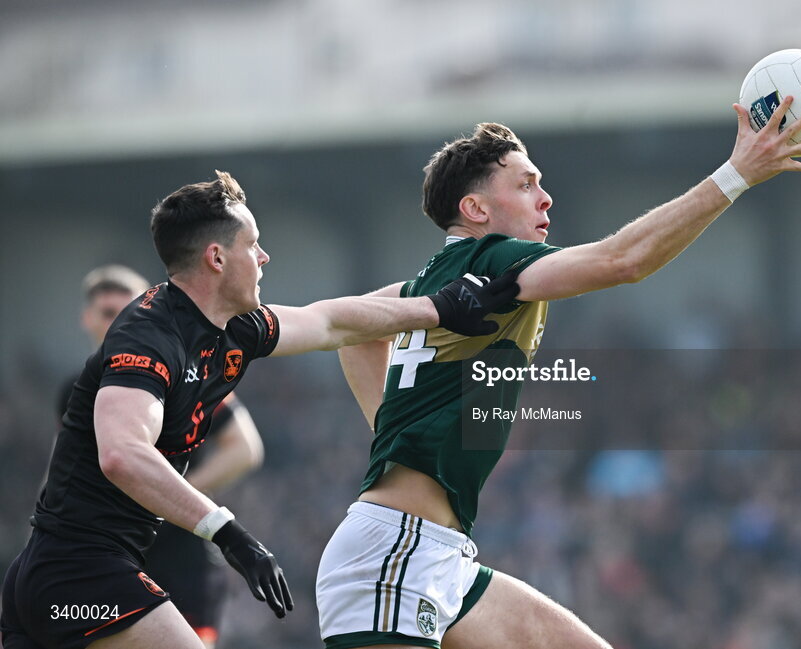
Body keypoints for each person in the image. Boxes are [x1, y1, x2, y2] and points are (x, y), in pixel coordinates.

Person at [319, 97, 801, 649]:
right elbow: (622, 260)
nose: (546, 197)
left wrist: (401, 439)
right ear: (476, 209)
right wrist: (737, 175)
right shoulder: (493, 258)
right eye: (525, 183)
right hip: (392, 557)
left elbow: (360, 334)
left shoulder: (431, 285)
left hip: (436, 554)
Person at [0, 170, 519, 649]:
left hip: (68, 571)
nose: (265, 256)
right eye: (252, 244)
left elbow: (331, 322)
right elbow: (121, 453)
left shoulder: (233, 326)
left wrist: (438, 309)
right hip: (77, 572)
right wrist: (227, 532)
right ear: (217, 258)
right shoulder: (150, 337)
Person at [56, 264, 265, 649]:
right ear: (86, 318)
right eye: (106, 313)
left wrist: (167, 496)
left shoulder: (185, 371)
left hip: (182, 559)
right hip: (109, 556)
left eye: (126, 310)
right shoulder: (75, 391)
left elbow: (245, 448)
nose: (117, 322)